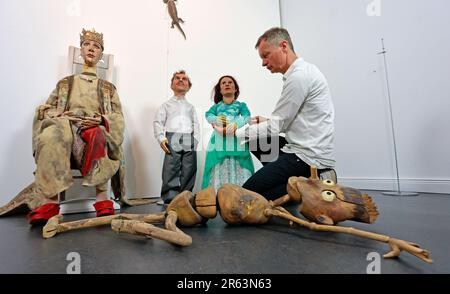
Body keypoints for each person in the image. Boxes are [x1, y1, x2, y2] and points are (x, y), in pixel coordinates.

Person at [0, 29, 126, 224]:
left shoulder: (108, 88)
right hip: (67, 126)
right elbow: (46, 109)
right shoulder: (64, 84)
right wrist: (57, 115)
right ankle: (50, 201)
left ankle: (102, 198)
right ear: (80, 51)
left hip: (93, 128)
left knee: (100, 135)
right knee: (51, 135)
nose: (91, 49)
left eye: (97, 47)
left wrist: (102, 120)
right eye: (87, 45)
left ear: (101, 54)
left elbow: (117, 116)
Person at [236, 27, 336, 200]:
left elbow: (276, 126)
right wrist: (265, 121)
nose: (263, 63)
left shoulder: (299, 77)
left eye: (266, 55)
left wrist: (234, 133)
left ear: (283, 46)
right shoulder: (303, 72)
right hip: (302, 149)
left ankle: (316, 180)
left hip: (307, 158)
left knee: (246, 195)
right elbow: (298, 118)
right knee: (256, 140)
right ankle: (294, 181)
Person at [153, 70, 199, 204]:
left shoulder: (190, 107)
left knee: (189, 167)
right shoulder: (166, 105)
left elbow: (195, 123)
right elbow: (158, 122)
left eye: (184, 79)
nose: (180, 80)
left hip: (188, 137)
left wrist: (195, 139)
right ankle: (169, 197)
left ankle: (185, 195)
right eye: (177, 78)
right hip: (172, 137)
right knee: (171, 167)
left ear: (188, 86)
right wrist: (161, 138)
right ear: (171, 85)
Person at [202, 75, 254, 191]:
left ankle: (240, 195)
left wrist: (236, 124)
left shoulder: (241, 105)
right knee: (220, 164)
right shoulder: (216, 107)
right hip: (220, 140)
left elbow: (246, 116)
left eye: (230, 82)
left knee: (238, 164)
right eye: (223, 83)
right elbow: (208, 115)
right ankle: (219, 196)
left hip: (236, 140)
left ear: (235, 89)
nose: (227, 84)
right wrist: (217, 120)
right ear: (220, 90)